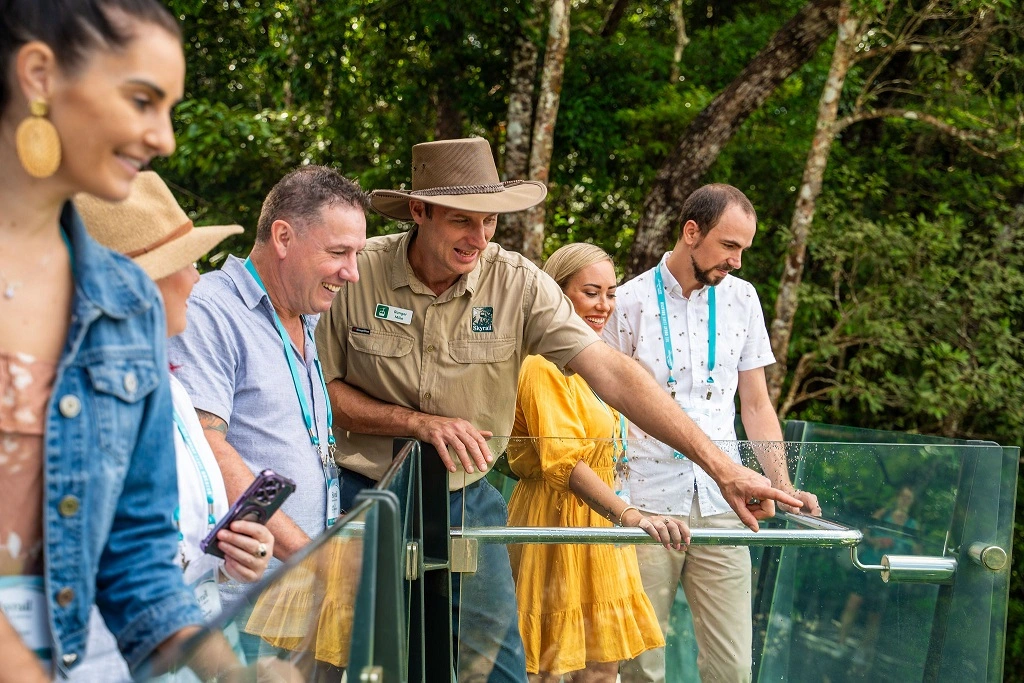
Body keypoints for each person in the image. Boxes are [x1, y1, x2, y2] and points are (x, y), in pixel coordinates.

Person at [315, 137, 802, 682]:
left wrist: (726, 469)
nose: (479, 238)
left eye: (491, 222)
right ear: (419, 210)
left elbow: (615, 373)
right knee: (350, 660)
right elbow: (319, 393)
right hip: (365, 493)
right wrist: (415, 424)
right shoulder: (356, 271)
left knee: (501, 668)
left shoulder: (517, 281)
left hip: (464, 498)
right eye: (462, 220)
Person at [0, 1, 212, 680]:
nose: (165, 137)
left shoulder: (127, 303)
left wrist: (232, 669)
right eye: (143, 100)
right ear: (38, 75)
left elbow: (138, 559)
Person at [604, 183, 821, 683]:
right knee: (639, 668)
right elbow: (605, 405)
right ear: (691, 232)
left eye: (744, 249)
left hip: (726, 507)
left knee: (732, 669)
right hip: (647, 506)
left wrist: (781, 487)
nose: (738, 261)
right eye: (730, 246)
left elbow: (757, 404)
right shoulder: (629, 301)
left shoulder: (744, 299)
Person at [72, 171, 278, 679]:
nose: (195, 278)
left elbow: (169, 549)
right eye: (180, 263)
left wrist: (231, 564)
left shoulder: (172, 388)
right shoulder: (80, 404)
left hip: (178, 653)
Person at [166, 165, 368, 615]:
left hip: (297, 592)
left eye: (357, 254)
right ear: (282, 237)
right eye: (339, 252)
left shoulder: (302, 310)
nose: (351, 272)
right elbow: (207, 446)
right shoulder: (211, 309)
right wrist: (313, 556)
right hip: (245, 601)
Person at [507, 243, 689, 682]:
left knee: (603, 669)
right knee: (551, 665)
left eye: (611, 293)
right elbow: (565, 462)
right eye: (592, 292)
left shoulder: (594, 365)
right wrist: (629, 513)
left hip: (601, 522)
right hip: (555, 520)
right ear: (558, 293)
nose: (604, 305)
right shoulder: (540, 364)